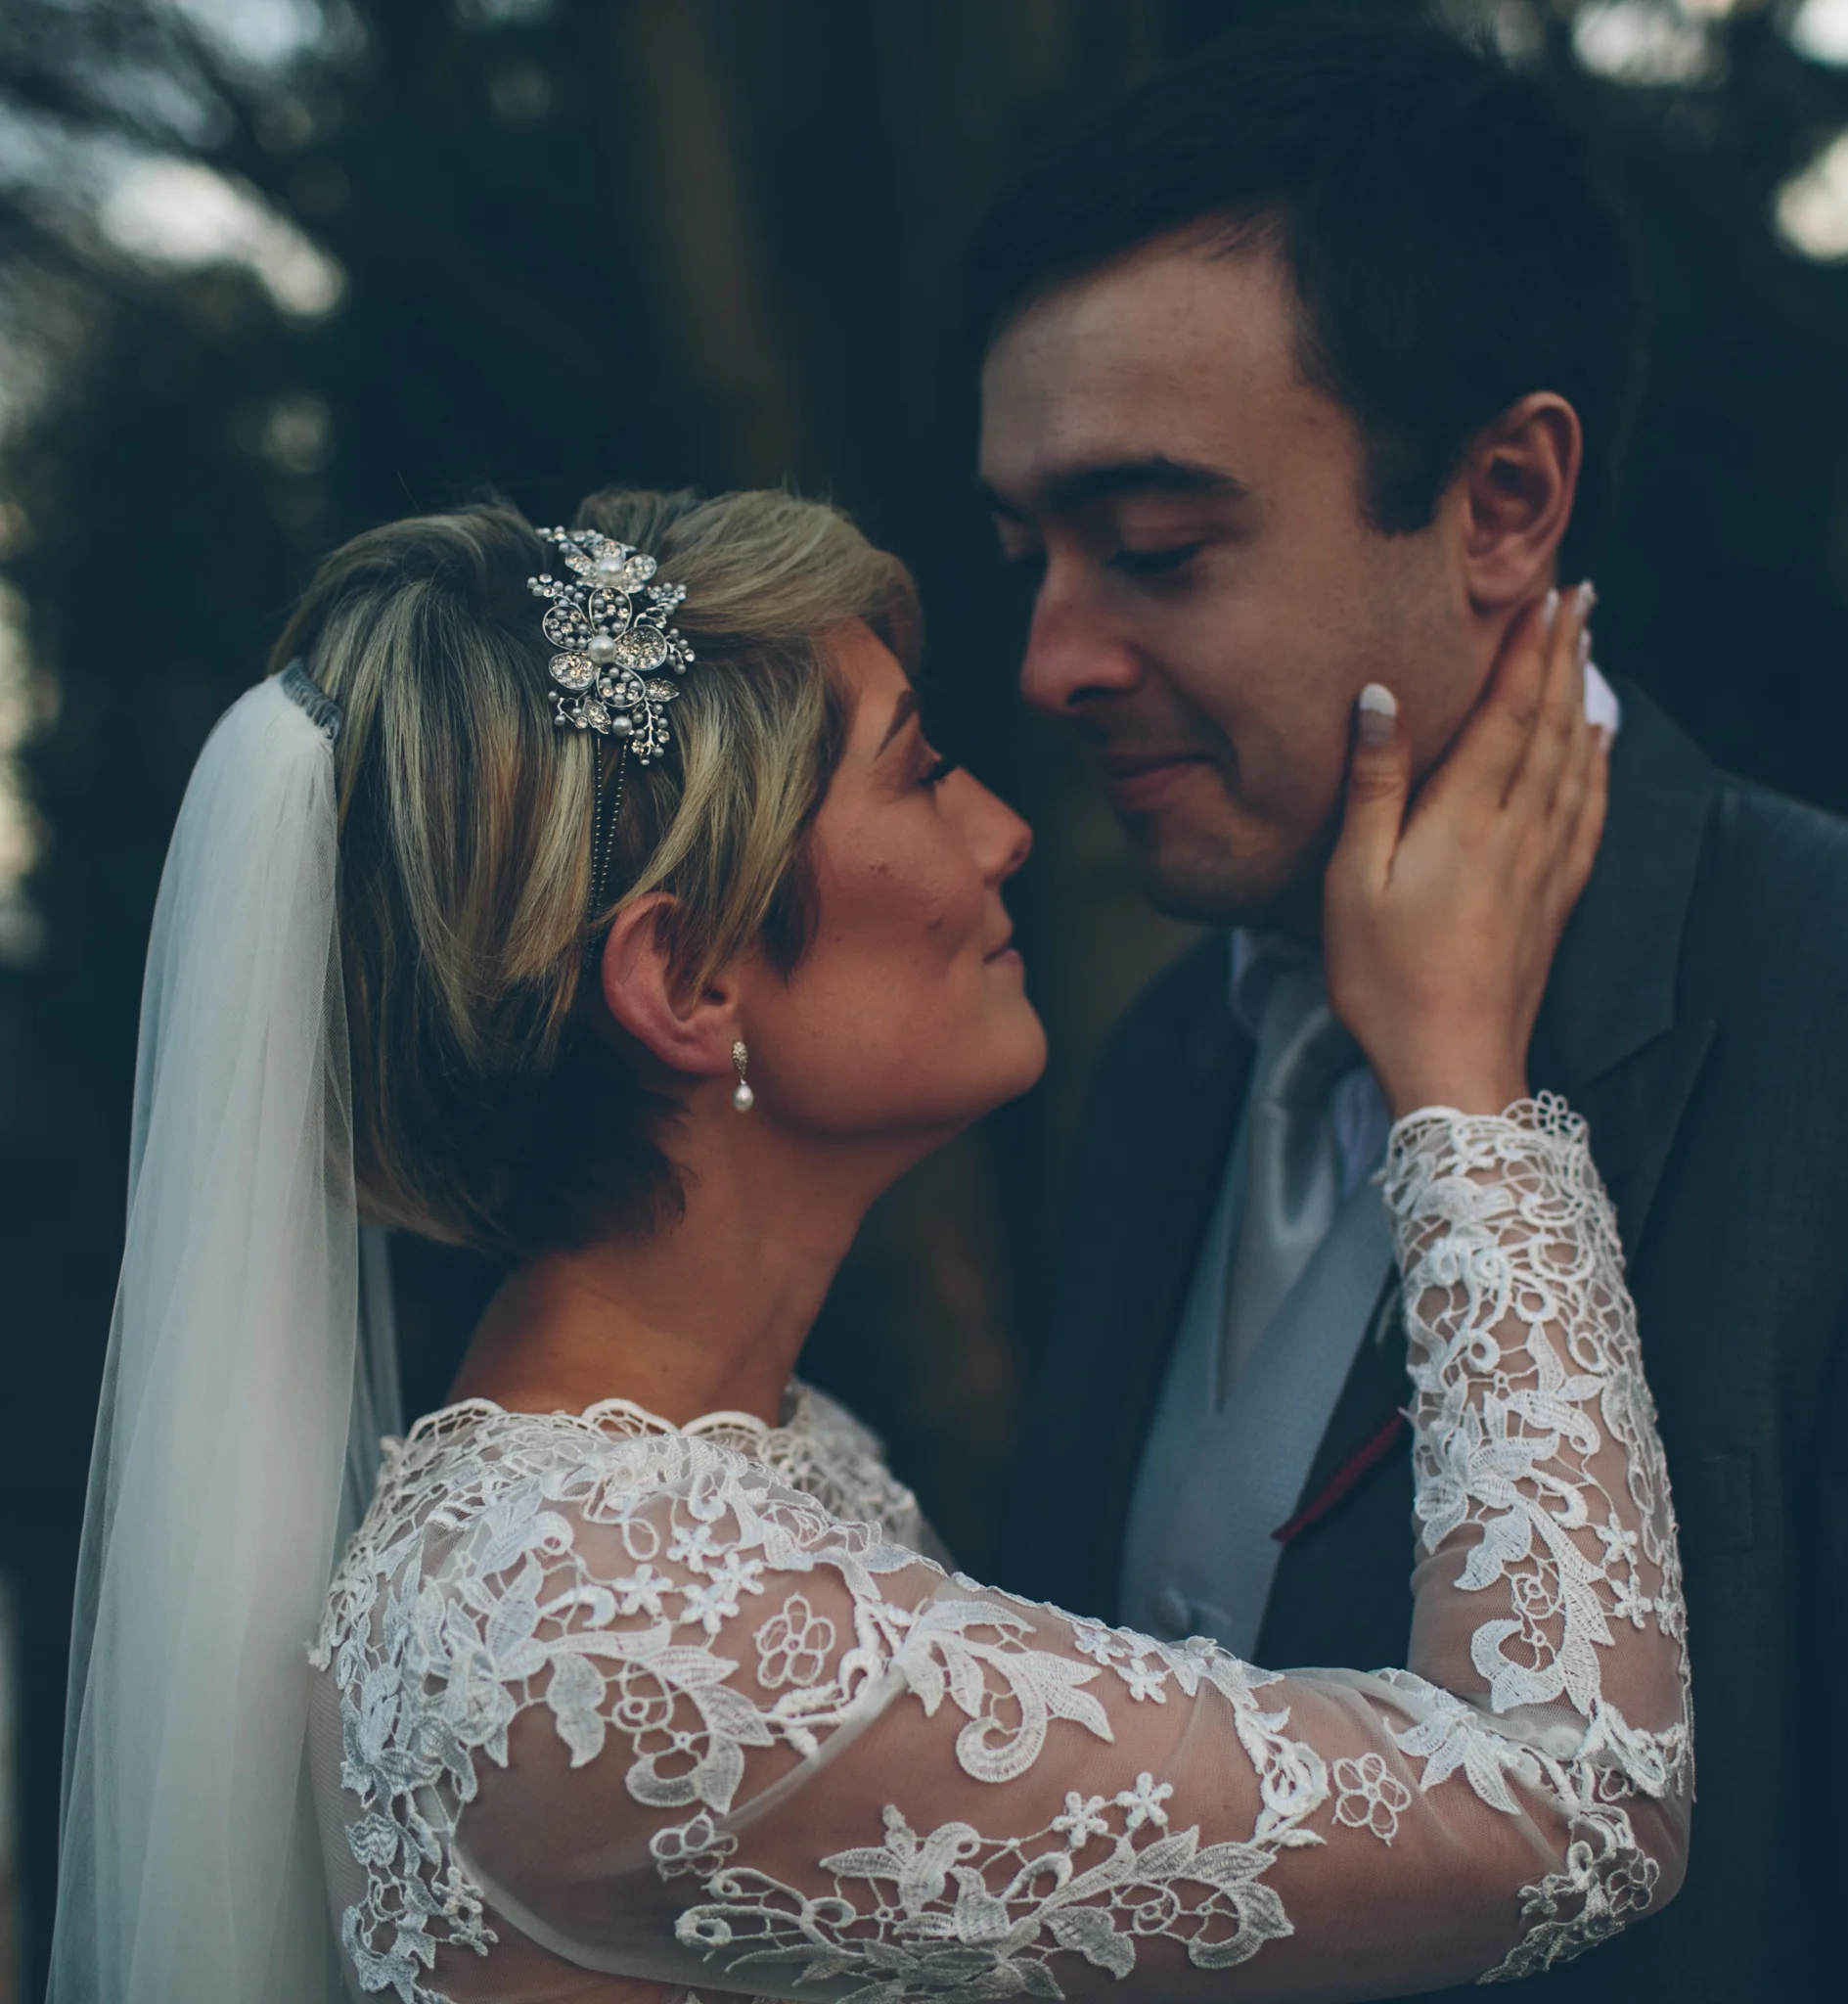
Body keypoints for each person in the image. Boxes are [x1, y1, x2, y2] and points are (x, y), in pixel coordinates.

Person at [48, 482, 1681, 2004]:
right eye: (915, 770)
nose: (1001, 831)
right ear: (683, 982)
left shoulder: (714, 1469)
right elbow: (1571, 1801)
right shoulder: (626, 1625)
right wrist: (1460, 1083)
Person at [969, 16, 1848, 2002]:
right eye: (1022, 553)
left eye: (1155, 546)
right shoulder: (1156, 1063)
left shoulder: (1816, 1003)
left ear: (1502, 500)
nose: (1046, 659)